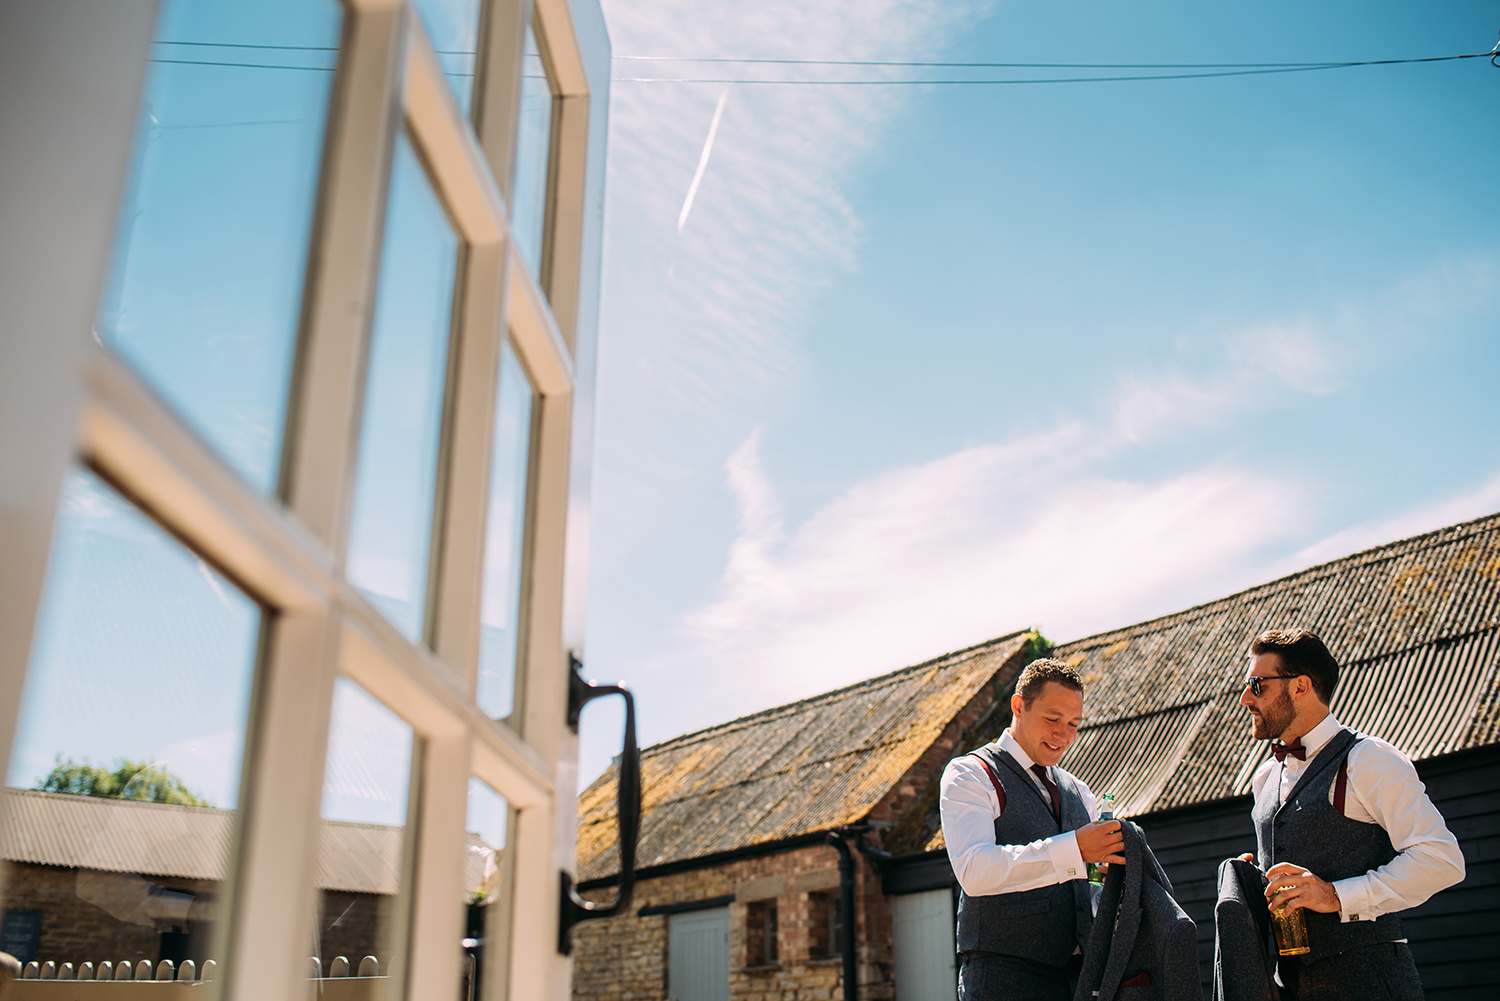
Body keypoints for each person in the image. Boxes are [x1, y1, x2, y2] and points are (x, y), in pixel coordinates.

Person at [1228, 628, 1465, 1000]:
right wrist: (1250, 883)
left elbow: (1442, 860)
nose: (1245, 698)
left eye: (1257, 684)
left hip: (1372, 984)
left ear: (1300, 687)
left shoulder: (1369, 759)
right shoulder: (1265, 777)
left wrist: (1337, 896)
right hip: (1289, 987)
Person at [940, 658, 1124, 1001]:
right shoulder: (970, 775)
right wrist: (1076, 849)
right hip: (1001, 981)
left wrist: (1110, 883)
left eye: (1074, 723)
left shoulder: (1080, 793)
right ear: (1018, 706)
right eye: (1052, 719)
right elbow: (974, 871)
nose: (1064, 735)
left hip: (1079, 983)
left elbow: (1085, 894)